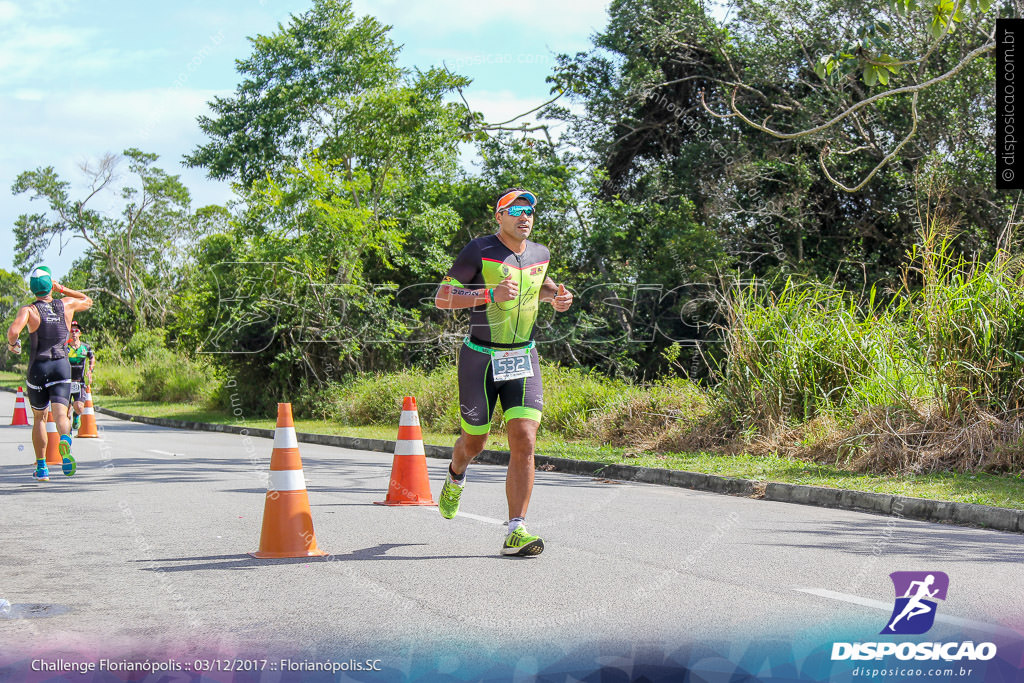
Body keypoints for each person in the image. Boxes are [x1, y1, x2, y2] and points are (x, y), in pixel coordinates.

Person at [434, 188, 574, 556]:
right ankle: (455, 474)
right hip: (480, 359)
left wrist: (555, 297)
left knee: (525, 438)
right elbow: (443, 297)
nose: (524, 216)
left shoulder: (541, 253)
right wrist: (487, 296)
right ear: (499, 217)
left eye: (529, 210)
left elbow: (539, 287)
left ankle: (516, 530)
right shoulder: (479, 250)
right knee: (474, 442)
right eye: (515, 210)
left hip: (523, 358)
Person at [6, 267, 93, 481]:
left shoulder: (29, 310)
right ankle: (65, 439)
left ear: (33, 289)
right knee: (61, 414)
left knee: (39, 418)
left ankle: (42, 467)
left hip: (38, 368)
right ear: (50, 285)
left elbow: (13, 332)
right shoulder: (66, 304)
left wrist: (13, 344)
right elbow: (87, 300)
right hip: (61, 366)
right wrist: (62, 288)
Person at [66, 321, 96, 430]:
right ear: (68, 333)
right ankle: (67, 433)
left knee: (79, 407)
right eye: (71, 330)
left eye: (76, 331)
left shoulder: (85, 347)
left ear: (80, 333)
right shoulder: (65, 347)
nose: (74, 333)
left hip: (80, 382)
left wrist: (90, 370)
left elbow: (92, 357)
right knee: (66, 412)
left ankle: (76, 416)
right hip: (66, 382)